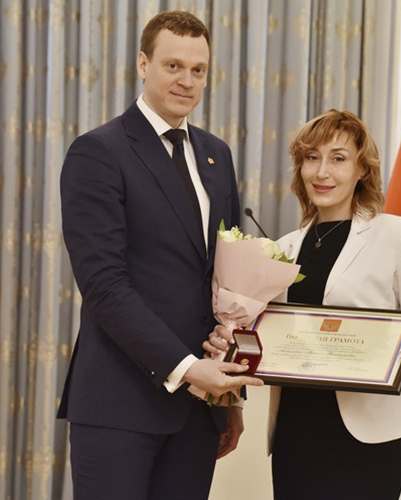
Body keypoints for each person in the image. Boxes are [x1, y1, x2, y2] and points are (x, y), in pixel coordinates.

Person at [58, 10, 262, 500]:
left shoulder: (217, 155)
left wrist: (230, 398)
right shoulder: (98, 152)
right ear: (143, 64)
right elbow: (104, 287)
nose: (187, 81)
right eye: (173, 66)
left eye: (198, 70)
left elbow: (226, 281)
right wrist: (189, 368)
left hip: (200, 410)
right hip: (119, 407)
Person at [206, 109, 401, 500]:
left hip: (367, 439)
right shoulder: (281, 250)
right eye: (312, 158)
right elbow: (254, 339)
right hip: (295, 434)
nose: (322, 172)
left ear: (362, 170)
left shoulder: (396, 234)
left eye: (338, 158)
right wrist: (230, 365)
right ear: (300, 168)